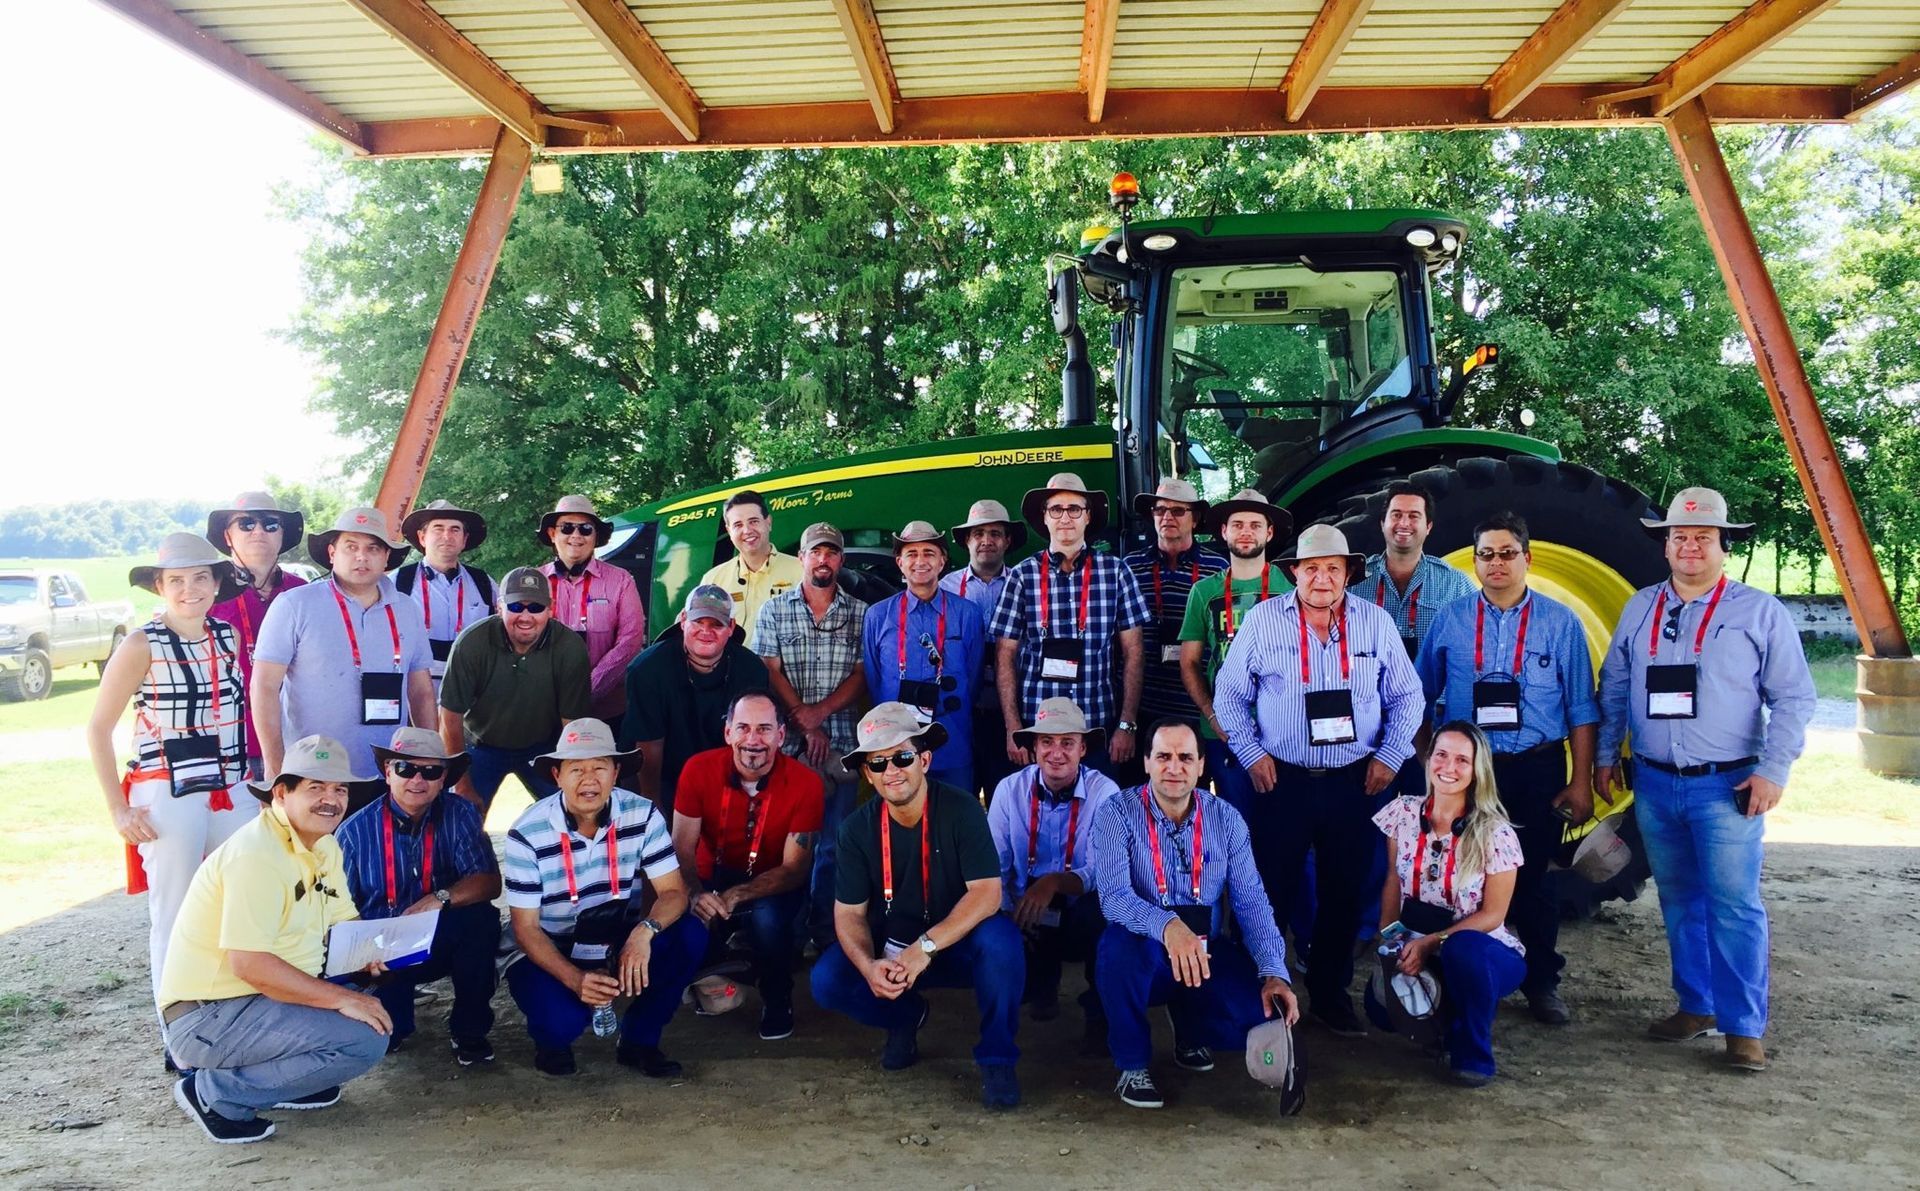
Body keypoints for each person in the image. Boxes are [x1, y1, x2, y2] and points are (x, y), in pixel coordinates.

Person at [1596, 488, 1815, 1073]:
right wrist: (1602, 757)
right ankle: (1696, 1005)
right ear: (1665, 545)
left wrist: (1772, 770)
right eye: (1679, 536)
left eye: (1702, 537)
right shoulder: (1641, 607)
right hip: (1656, 783)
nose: (1690, 545)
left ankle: (1744, 1028)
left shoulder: (1757, 612)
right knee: (1679, 899)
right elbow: (1615, 684)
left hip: (1729, 787)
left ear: (1723, 545)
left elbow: (1794, 697)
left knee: (1735, 906)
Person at [1212, 523, 1424, 1037]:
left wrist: (1391, 757)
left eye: (1333, 569)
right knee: (1269, 890)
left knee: (1344, 891)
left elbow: (1408, 697)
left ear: (1348, 573)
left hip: (1356, 781)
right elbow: (1228, 697)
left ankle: (1330, 994)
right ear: (1295, 574)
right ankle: (1262, 993)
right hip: (1281, 781)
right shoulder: (1263, 621)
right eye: (1311, 569)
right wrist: (1250, 753)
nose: (1322, 578)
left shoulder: (1374, 623)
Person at [158, 735, 390, 1145]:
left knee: (368, 999)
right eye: (315, 788)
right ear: (282, 793)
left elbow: (343, 921)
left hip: (257, 999)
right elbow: (250, 965)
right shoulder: (257, 855)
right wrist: (343, 999)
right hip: (209, 1014)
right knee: (365, 1038)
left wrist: (372, 950)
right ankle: (214, 1094)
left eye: (339, 789)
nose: (330, 800)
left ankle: (294, 1078)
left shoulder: (323, 844)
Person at [1416, 511, 1598, 1025]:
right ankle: (1458, 980)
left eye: (1507, 553)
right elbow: (1418, 695)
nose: (1497, 563)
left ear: (1527, 558)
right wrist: (1433, 761)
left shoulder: (1561, 623)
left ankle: (1542, 982)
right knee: (1457, 877)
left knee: (1534, 880)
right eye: (1487, 554)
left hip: (1533, 769)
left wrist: (1579, 781)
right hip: (1467, 773)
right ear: (1474, 562)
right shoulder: (1450, 619)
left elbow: (1582, 708)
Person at [810, 703, 1025, 1110]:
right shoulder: (856, 828)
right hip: (891, 949)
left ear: (925, 759)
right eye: (878, 763)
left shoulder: (961, 809)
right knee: (827, 981)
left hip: (951, 944)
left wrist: (924, 948)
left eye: (903, 757)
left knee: (1002, 943)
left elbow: (987, 893)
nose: (892, 770)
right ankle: (904, 1018)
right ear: (868, 776)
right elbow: (849, 914)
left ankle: (997, 1057)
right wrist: (868, 966)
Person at [1090, 719, 1299, 1110]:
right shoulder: (1115, 814)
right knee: (1116, 950)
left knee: (1257, 1017)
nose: (1174, 767)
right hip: (1146, 951)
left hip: (1206, 951)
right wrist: (1168, 926)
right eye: (1163, 757)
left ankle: (1189, 1026)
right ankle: (1132, 1063)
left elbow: (1251, 901)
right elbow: (1114, 898)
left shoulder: (1226, 819)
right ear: (1147, 762)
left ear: (1202, 765)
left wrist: (1275, 972)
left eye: (1185, 758)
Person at [89, 533, 255, 1024]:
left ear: (216, 582)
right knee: (176, 907)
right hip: (167, 786)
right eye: (177, 580)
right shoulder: (141, 643)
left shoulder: (227, 636)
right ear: (160, 586)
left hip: (230, 783)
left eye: (200, 577)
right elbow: (98, 728)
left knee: (247, 889)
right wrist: (119, 810)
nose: (190, 589)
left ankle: (237, 1003)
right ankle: (177, 1024)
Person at [501, 718, 707, 1077]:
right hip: (551, 945)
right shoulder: (526, 831)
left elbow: (674, 892)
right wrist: (575, 980)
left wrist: (643, 934)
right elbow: (526, 930)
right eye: (576, 769)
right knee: (561, 1021)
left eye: (600, 767)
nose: (589, 779)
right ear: (557, 776)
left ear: (616, 773)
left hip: (619, 938)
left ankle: (639, 1041)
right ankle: (552, 1042)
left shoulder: (642, 814)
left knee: (689, 934)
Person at [1368, 721, 1527, 1086]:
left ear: (1476, 771)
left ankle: (1473, 1053)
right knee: (1378, 1010)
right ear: (1428, 759)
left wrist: (1431, 942)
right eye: (1441, 755)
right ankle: (1442, 1020)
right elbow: (1393, 880)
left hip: (1482, 951)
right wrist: (1393, 941)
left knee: (1462, 950)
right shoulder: (1404, 813)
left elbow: (1493, 915)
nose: (1448, 768)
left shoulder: (1495, 832)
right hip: (1415, 940)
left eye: (1461, 760)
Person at [335, 727, 501, 1065]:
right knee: (388, 1038)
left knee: (482, 921)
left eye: (431, 771)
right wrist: (361, 959)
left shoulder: (461, 813)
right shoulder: (353, 832)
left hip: (439, 936)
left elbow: (489, 883)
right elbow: (336, 912)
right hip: (379, 950)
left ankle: (469, 1030)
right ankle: (391, 1018)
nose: (417, 780)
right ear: (387, 772)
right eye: (406, 769)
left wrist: (440, 897)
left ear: (443, 779)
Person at [671, 691, 824, 1041]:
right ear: (727, 732)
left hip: (773, 880)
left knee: (768, 919)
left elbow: (795, 870)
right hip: (710, 875)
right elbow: (682, 849)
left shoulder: (806, 783)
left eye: (764, 729)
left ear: (781, 736)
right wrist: (695, 894)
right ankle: (702, 981)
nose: (753, 740)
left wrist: (738, 895)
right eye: (743, 727)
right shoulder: (697, 769)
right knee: (685, 915)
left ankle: (777, 996)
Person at [250, 507, 435, 781]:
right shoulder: (294, 605)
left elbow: (421, 692)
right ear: (332, 553)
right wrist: (275, 767)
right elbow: (263, 687)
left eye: (373, 548)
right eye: (351, 546)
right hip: (310, 773)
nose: (362, 556)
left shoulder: (407, 609)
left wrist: (429, 758)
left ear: (386, 557)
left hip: (387, 774)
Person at [750, 521, 867, 950]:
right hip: (789, 748)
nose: (823, 559)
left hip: (842, 748)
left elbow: (861, 674)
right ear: (801, 558)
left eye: (831, 552)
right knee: (788, 845)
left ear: (840, 560)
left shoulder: (861, 613)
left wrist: (820, 714)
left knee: (834, 845)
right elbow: (768, 670)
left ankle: (824, 930)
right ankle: (786, 933)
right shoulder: (774, 610)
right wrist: (804, 719)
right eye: (815, 552)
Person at [990, 472, 1148, 773]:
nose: (1066, 517)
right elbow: (1005, 655)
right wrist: (1013, 727)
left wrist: (1127, 724)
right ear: (1045, 517)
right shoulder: (1022, 576)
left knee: (1100, 814)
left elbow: (1134, 652)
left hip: (1097, 726)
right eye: (1056, 509)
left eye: (1075, 508)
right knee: (1041, 817)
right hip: (1039, 731)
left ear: (1088, 517)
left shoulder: (1116, 572)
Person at [985, 698, 1120, 1046]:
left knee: (1106, 915)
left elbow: (1104, 869)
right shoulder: (1008, 790)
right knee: (991, 925)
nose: (1056, 752)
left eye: (1067, 742)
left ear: (1083, 748)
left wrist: (1054, 881)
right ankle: (1037, 985)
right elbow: (993, 864)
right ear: (1033, 747)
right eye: (1047, 741)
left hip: (1079, 902)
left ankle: (1100, 1011)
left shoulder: (1105, 792)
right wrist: (1003, 909)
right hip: (1022, 905)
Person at [1177, 489, 1293, 818]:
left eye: (1255, 525)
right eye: (1237, 524)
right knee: (1233, 821)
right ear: (1224, 532)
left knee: (1280, 827)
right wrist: (1212, 715)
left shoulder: (1290, 587)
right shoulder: (1204, 591)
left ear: (1269, 533)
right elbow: (1189, 662)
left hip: (1280, 731)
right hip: (1223, 731)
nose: (1246, 531)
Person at [438, 566, 593, 811]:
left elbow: (571, 724)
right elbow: (449, 717)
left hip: (544, 747)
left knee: (570, 809)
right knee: (461, 812)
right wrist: (461, 782)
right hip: (479, 745)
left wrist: (571, 778)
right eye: (516, 606)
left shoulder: (570, 647)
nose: (525, 616)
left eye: (535, 607)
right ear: (500, 607)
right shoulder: (471, 643)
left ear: (550, 609)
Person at [622, 584, 771, 813]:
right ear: (683, 620)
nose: (706, 631)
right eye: (698, 622)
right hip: (663, 775)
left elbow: (752, 738)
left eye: (716, 624)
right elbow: (648, 743)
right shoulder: (647, 670)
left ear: (731, 627)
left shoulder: (751, 670)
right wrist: (653, 804)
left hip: (727, 773)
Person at [865, 520, 986, 794]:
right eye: (912, 554)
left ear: (942, 561)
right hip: (896, 746)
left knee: (954, 822)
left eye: (929, 553)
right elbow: (874, 682)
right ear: (899, 563)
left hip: (953, 741)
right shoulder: (877, 616)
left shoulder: (968, 614)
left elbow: (974, 676)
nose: (920, 561)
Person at [1121, 479, 1226, 784]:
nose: (1167, 517)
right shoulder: (1130, 567)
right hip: (1145, 705)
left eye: (1178, 511)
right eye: (1160, 510)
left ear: (1195, 518)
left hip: (1196, 706)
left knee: (1194, 794)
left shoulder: (1217, 569)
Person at [205, 491, 308, 780]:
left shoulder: (303, 592)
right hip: (229, 743)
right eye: (246, 523)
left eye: (270, 524)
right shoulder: (207, 594)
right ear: (228, 536)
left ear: (281, 534)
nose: (259, 531)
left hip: (298, 739)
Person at [942, 498, 1026, 802]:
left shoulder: (1024, 584)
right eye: (978, 534)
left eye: (994, 533)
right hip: (961, 710)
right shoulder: (946, 588)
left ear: (1007, 540)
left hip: (1012, 708)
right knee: (959, 798)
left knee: (1007, 797)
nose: (986, 541)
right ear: (967, 541)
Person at [537, 495, 646, 723]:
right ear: (552, 533)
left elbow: (630, 641)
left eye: (586, 529)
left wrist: (587, 692)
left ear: (595, 536)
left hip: (606, 712)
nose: (576, 535)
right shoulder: (533, 581)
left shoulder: (622, 580)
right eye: (566, 528)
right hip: (542, 710)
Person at [1359, 480, 1475, 659]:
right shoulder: (1355, 580)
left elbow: (1477, 641)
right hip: (1371, 686)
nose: (1404, 523)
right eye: (1396, 515)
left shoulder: (1455, 584)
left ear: (1428, 527)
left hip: (1428, 687)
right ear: (1383, 523)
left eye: (1414, 516)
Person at [393, 500, 495, 688]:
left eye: (455, 529)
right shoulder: (397, 582)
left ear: (464, 540)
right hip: (414, 686)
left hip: (472, 688)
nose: (447, 536)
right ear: (422, 537)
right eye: (438, 529)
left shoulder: (484, 582)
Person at [700, 489, 803, 630]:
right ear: (729, 531)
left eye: (753, 521)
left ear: (768, 523)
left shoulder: (802, 571)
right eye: (738, 525)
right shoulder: (713, 581)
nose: (747, 530)